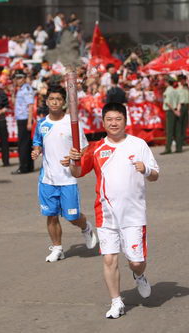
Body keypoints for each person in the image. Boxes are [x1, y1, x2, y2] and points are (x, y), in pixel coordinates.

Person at [67, 102, 159, 319]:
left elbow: (155, 175)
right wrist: (73, 159)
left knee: (136, 261)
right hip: (105, 212)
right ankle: (116, 302)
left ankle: (139, 275)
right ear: (103, 122)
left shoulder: (138, 145)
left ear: (125, 120)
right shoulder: (96, 148)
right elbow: (77, 172)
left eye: (118, 119)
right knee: (109, 259)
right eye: (109, 119)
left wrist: (146, 170)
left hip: (134, 213)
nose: (113, 123)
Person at [31, 85, 97, 262]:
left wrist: (73, 157)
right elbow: (37, 142)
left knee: (72, 216)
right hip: (47, 179)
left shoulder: (72, 123)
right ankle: (58, 248)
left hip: (67, 178)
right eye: (51, 99)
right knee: (51, 215)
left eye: (58, 99)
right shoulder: (42, 124)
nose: (54, 102)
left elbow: (84, 148)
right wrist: (36, 150)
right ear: (47, 101)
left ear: (64, 102)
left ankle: (86, 227)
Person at [12, 71, 34, 175]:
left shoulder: (26, 89)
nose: (18, 80)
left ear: (24, 78)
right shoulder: (20, 89)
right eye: (16, 78)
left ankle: (23, 167)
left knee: (23, 144)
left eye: (20, 78)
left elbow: (30, 106)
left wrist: (29, 121)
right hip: (22, 118)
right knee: (27, 143)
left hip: (25, 119)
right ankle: (29, 166)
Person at [160, 78, 180, 154]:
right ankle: (178, 147)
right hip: (175, 110)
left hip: (170, 111)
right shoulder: (175, 91)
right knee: (176, 130)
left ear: (168, 83)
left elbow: (168, 102)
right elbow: (178, 101)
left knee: (169, 131)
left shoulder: (167, 91)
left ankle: (168, 148)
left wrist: (174, 111)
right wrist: (177, 110)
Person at [176, 75, 189, 148]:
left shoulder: (186, 89)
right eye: (181, 80)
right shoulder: (177, 89)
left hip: (186, 106)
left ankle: (183, 140)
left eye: (184, 80)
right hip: (180, 106)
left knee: (184, 124)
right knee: (180, 124)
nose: (183, 81)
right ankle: (180, 141)